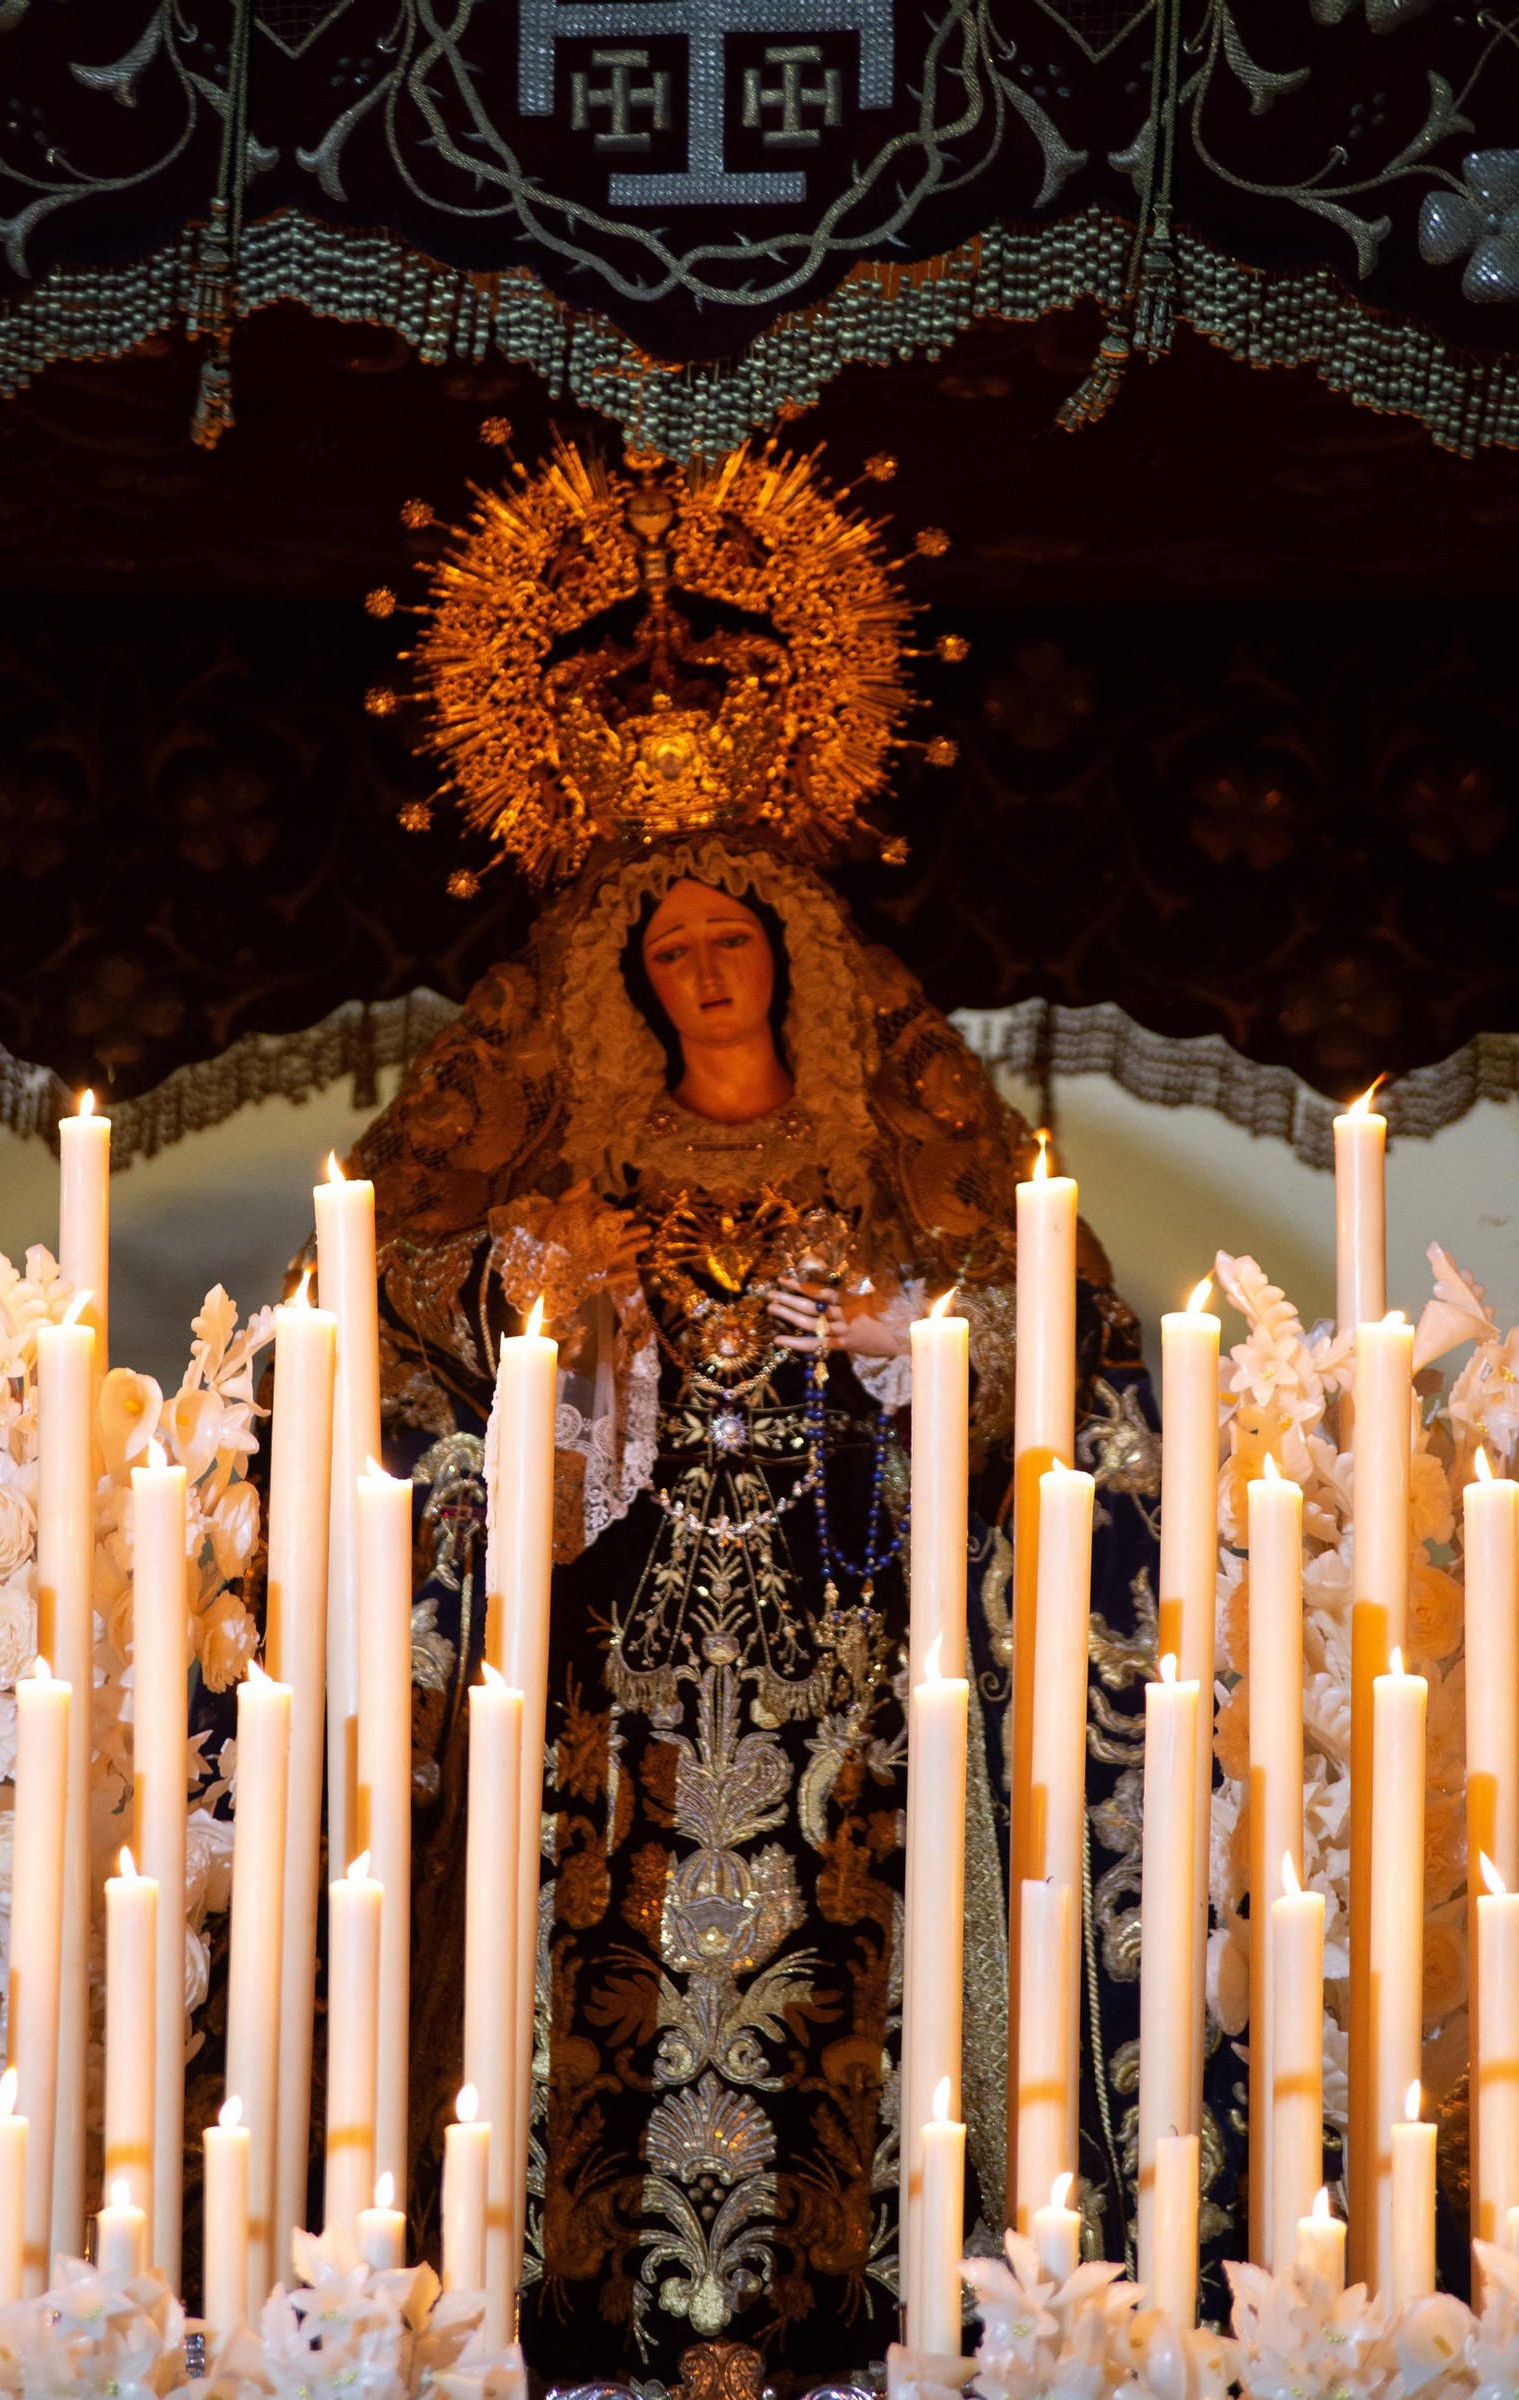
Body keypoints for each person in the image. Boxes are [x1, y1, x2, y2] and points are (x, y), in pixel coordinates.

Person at [332, 439, 1179, 2383]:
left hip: (844, 1658)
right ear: (623, 991)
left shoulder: (900, 1118)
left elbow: (1059, 1318)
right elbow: (367, 1293)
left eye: (731, 941)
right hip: (610, 1674)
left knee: (842, 1972)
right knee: (583, 1962)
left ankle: (853, 2314)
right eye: (667, 956)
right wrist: (526, 1299)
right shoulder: (550, 1137)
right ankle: (562, 2316)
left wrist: (906, 1327)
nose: (702, 964)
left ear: (792, 957)